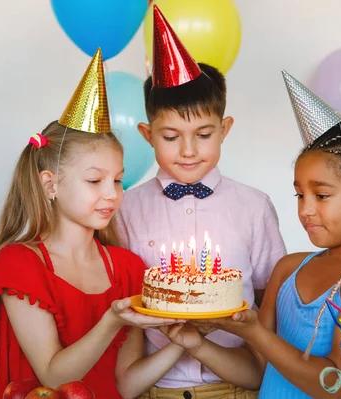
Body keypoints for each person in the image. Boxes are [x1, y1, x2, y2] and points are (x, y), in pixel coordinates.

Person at [162, 71, 341, 398]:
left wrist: (254, 331)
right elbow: (259, 371)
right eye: (299, 195)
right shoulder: (289, 269)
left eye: (321, 196)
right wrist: (197, 344)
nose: (305, 209)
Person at [0, 49, 182, 399]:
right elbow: (52, 376)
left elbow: (125, 385)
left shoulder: (127, 269)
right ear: (50, 185)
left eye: (117, 181)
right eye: (95, 181)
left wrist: (184, 342)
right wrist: (112, 320)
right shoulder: (20, 266)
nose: (112, 194)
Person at [116, 7, 286, 399]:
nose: (189, 150)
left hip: (235, 386)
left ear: (225, 129)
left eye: (204, 134)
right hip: (154, 388)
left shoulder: (254, 207)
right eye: (171, 136)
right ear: (147, 134)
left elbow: (269, 298)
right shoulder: (124, 209)